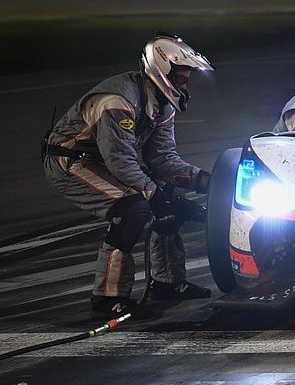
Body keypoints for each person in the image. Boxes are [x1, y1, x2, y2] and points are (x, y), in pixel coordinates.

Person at [43, 34, 215, 318]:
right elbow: (120, 162)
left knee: (172, 198)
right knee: (133, 210)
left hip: (105, 161)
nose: (185, 86)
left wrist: (205, 180)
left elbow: (162, 158)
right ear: (162, 70)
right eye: (181, 79)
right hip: (71, 162)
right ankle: (107, 298)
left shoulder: (163, 103)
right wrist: (154, 195)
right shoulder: (118, 100)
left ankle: (166, 282)